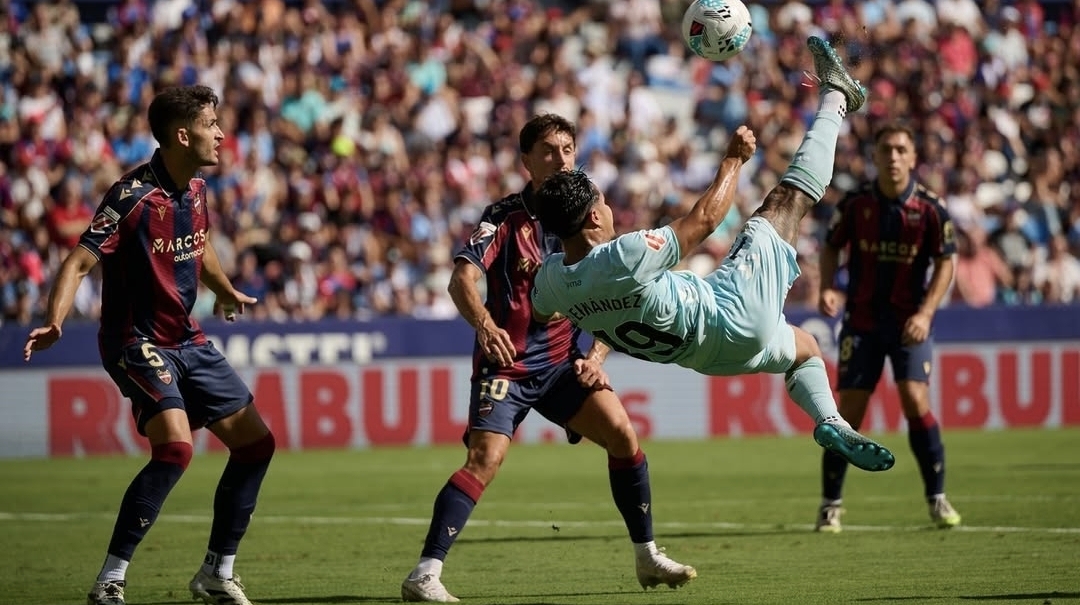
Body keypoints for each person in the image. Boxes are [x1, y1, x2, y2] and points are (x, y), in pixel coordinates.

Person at [529, 37, 896, 475]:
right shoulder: (623, 257)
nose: (610, 210)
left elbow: (544, 316)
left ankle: (830, 421)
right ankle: (837, 94)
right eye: (604, 204)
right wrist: (733, 161)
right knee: (785, 202)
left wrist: (581, 366)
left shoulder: (551, 281)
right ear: (593, 218)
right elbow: (704, 220)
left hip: (707, 358)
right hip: (729, 315)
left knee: (806, 348)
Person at [400, 114, 696, 603]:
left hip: (562, 364)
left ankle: (646, 556)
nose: (561, 159)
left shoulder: (589, 209)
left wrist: (597, 353)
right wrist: (485, 325)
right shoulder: (502, 217)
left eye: (567, 149)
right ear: (526, 162)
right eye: (548, 151)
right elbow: (461, 280)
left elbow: (619, 288)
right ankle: (425, 573)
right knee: (485, 459)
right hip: (508, 365)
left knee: (623, 434)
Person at [23, 85, 272, 605]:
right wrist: (54, 322)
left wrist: (224, 290)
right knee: (176, 448)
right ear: (182, 135)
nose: (221, 134)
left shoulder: (197, 188)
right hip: (136, 341)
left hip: (187, 338)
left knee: (256, 445)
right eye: (211, 125)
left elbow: (199, 248)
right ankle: (109, 580)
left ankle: (217, 572)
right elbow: (78, 261)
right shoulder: (130, 197)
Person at [815, 122, 961, 532]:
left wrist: (926, 313)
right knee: (848, 413)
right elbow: (830, 245)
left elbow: (946, 261)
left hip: (908, 323)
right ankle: (830, 504)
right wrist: (827, 286)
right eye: (886, 150)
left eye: (900, 149)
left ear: (913, 158)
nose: (893, 157)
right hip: (861, 321)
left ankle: (937, 498)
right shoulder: (855, 203)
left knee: (914, 399)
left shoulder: (930, 209)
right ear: (875, 156)